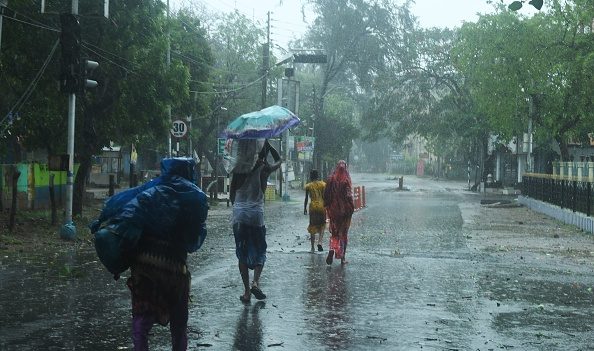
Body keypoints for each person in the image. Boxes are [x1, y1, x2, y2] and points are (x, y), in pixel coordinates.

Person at [91, 157, 208, 351]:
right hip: (176, 267)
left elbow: (123, 210)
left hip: (145, 265)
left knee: (141, 320)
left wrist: (101, 219)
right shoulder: (194, 199)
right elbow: (195, 237)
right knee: (179, 324)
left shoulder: (148, 193)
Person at [230, 139, 282, 303]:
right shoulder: (264, 168)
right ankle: (256, 282)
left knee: (242, 253)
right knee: (260, 250)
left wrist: (238, 207)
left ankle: (246, 292)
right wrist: (269, 146)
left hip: (239, 214)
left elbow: (232, 194)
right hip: (256, 214)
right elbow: (280, 161)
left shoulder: (238, 168)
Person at [324, 160, 354, 265]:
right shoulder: (346, 180)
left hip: (333, 211)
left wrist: (328, 207)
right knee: (344, 234)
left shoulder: (330, 179)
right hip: (344, 212)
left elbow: (326, 194)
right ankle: (342, 258)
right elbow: (349, 196)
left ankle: (332, 250)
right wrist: (351, 208)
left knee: (334, 233)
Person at [304, 169, 326, 252]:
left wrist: (304, 208)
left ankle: (312, 247)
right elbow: (325, 197)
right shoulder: (323, 185)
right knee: (322, 225)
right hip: (321, 207)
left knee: (312, 225)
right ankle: (320, 242)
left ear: (310, 176)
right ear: (318, 176)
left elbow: (306, 198)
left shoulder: (308, 186)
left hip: (312, 207)